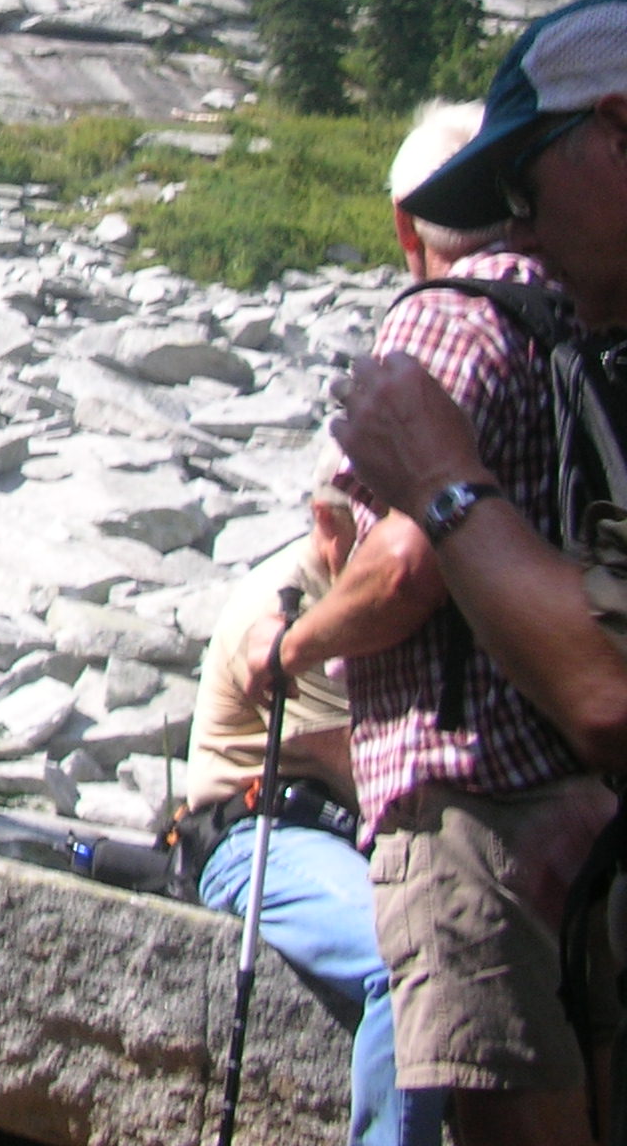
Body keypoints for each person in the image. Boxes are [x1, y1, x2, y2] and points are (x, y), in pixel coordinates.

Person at [263, 86, 615, 1146]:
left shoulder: (443, 316)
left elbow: (408, 562)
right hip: (588, 797)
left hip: (471, 807)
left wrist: (297, 646)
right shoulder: (581, 317)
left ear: (406, 225)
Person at [338, 0, 627, 769]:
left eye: (522, 193)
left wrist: (442, 483)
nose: (518, 237)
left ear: (619, 136)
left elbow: (611, 694)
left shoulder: (443, 316)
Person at [185, 454, 445, 1146]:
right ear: (328, 520)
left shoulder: (366, 604)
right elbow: (364, 768)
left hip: (335, 836)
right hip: (258, 835)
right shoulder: (287, 604)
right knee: (406, 962)